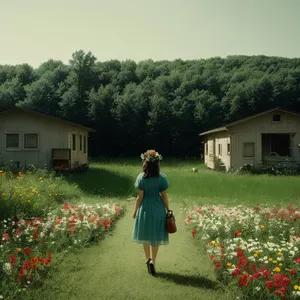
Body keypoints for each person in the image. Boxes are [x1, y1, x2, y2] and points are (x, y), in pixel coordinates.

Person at [132, 149, 169, 276]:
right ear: (157, 164)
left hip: (145, 209)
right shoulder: (162, 178)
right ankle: (154, 260)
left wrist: (134, 211)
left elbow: (139, 198)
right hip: (158, 209)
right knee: (156, 236)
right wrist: (168, 209)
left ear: (145, 163)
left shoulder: (141, 178)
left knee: (145, 236)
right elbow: (164, 195)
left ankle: (148, 259)